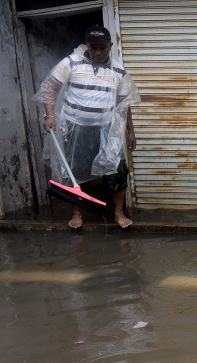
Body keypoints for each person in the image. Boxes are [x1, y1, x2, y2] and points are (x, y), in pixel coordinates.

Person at [39, 25, 140, 229]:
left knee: (117, 171)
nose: (98, 52)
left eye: (103, 47)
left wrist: (130, 131)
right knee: (78, 170)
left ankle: (118, 213)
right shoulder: (71, 63)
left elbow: (124, 103)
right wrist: (50, 115)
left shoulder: (118, 70)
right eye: (94, 47)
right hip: (78, 129)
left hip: (108, 130)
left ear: (111, 46)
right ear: (87, 45)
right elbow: (49, 89)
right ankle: (77, 213)